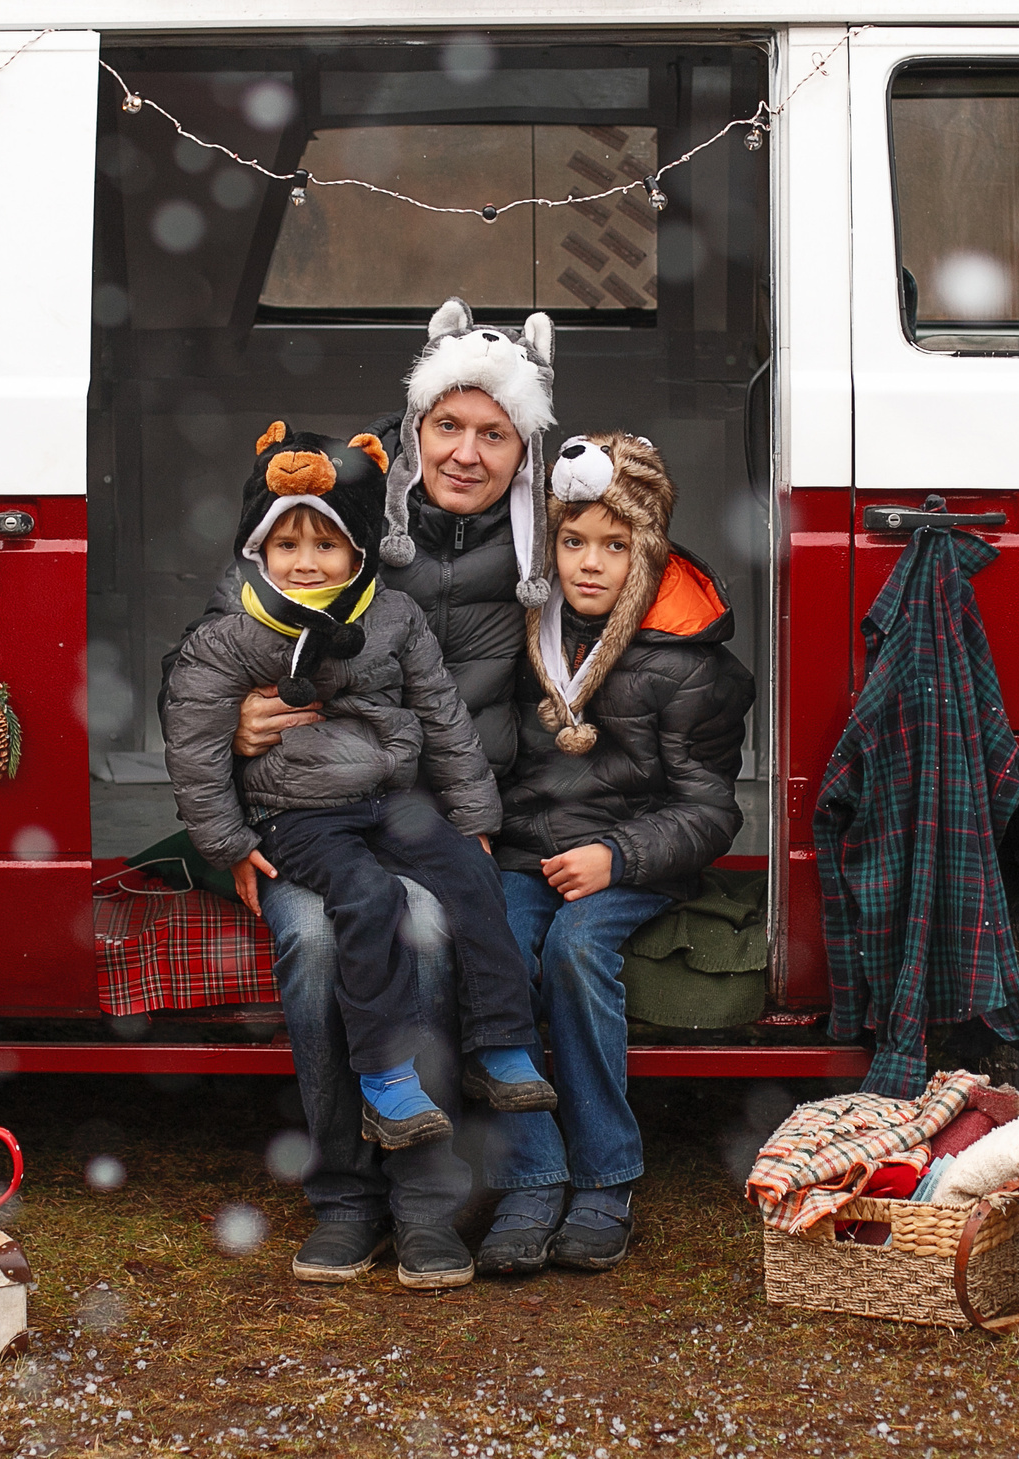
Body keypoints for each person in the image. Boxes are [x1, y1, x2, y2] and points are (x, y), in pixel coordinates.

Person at [188, 299, 560, 1290]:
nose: (468, 453)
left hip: (435, 813)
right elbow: (203, 665)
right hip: (308, 816)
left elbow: (625, 672)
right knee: (315, 942)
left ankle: (426, 1200)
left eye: (495, 434)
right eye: (448, 427)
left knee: (433, 930)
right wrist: (234, 743)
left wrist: (492, 822)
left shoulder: (551, 551)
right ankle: (347, 1196)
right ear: (411, 430)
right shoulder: (343, 508)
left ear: (525, 448)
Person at [477, 432, 756, 1274]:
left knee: (576, 946)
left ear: (650, 547)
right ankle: (532, 1171)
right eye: (572, 541)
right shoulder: (527, 639)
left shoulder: (688, 665)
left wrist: (616, 856)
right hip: (529, 853)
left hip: (637, 861)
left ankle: (605, 1174)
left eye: (615, 542)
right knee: (489, 949)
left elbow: (709, 810)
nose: (589, 564)